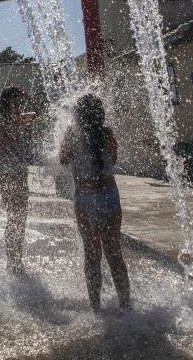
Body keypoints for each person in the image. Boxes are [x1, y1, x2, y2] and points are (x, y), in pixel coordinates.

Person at [58, 93, 130, 310]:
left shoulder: (73, 134)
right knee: (114, 252)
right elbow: (113, 161)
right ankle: (126, 306)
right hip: (109, 194)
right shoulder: (108, 135)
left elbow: (63, 159)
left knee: (92, 254)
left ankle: (95, 306)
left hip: (85, 197)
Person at [0, 87, 39, 273]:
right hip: (6, 173)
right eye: (16, 101)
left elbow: (39, 112)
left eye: (20, 101)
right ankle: (12, 261)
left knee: (20, 217)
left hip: (19, 172)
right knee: (14, 217)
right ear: (8, 102)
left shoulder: (16, 118)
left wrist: (29, 96)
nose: (20, 104)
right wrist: (16, 126)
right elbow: (2, 146)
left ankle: (16, 260)